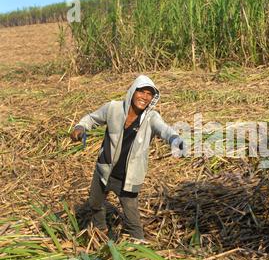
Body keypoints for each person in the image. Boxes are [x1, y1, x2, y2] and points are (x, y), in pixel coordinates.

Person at [70, 75, 184, 240]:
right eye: (141, 91)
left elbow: (164, 129)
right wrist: (80, 127)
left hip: (128, 177)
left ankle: (138, 247)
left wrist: (175, 139)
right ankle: (100, 232)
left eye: (149, 94)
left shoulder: (151, 118)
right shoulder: (113, 108)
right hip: (104, 169)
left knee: (132, 219)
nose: (144, 97)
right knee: (95, 203)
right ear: (132, 91)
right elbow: (91, 118)